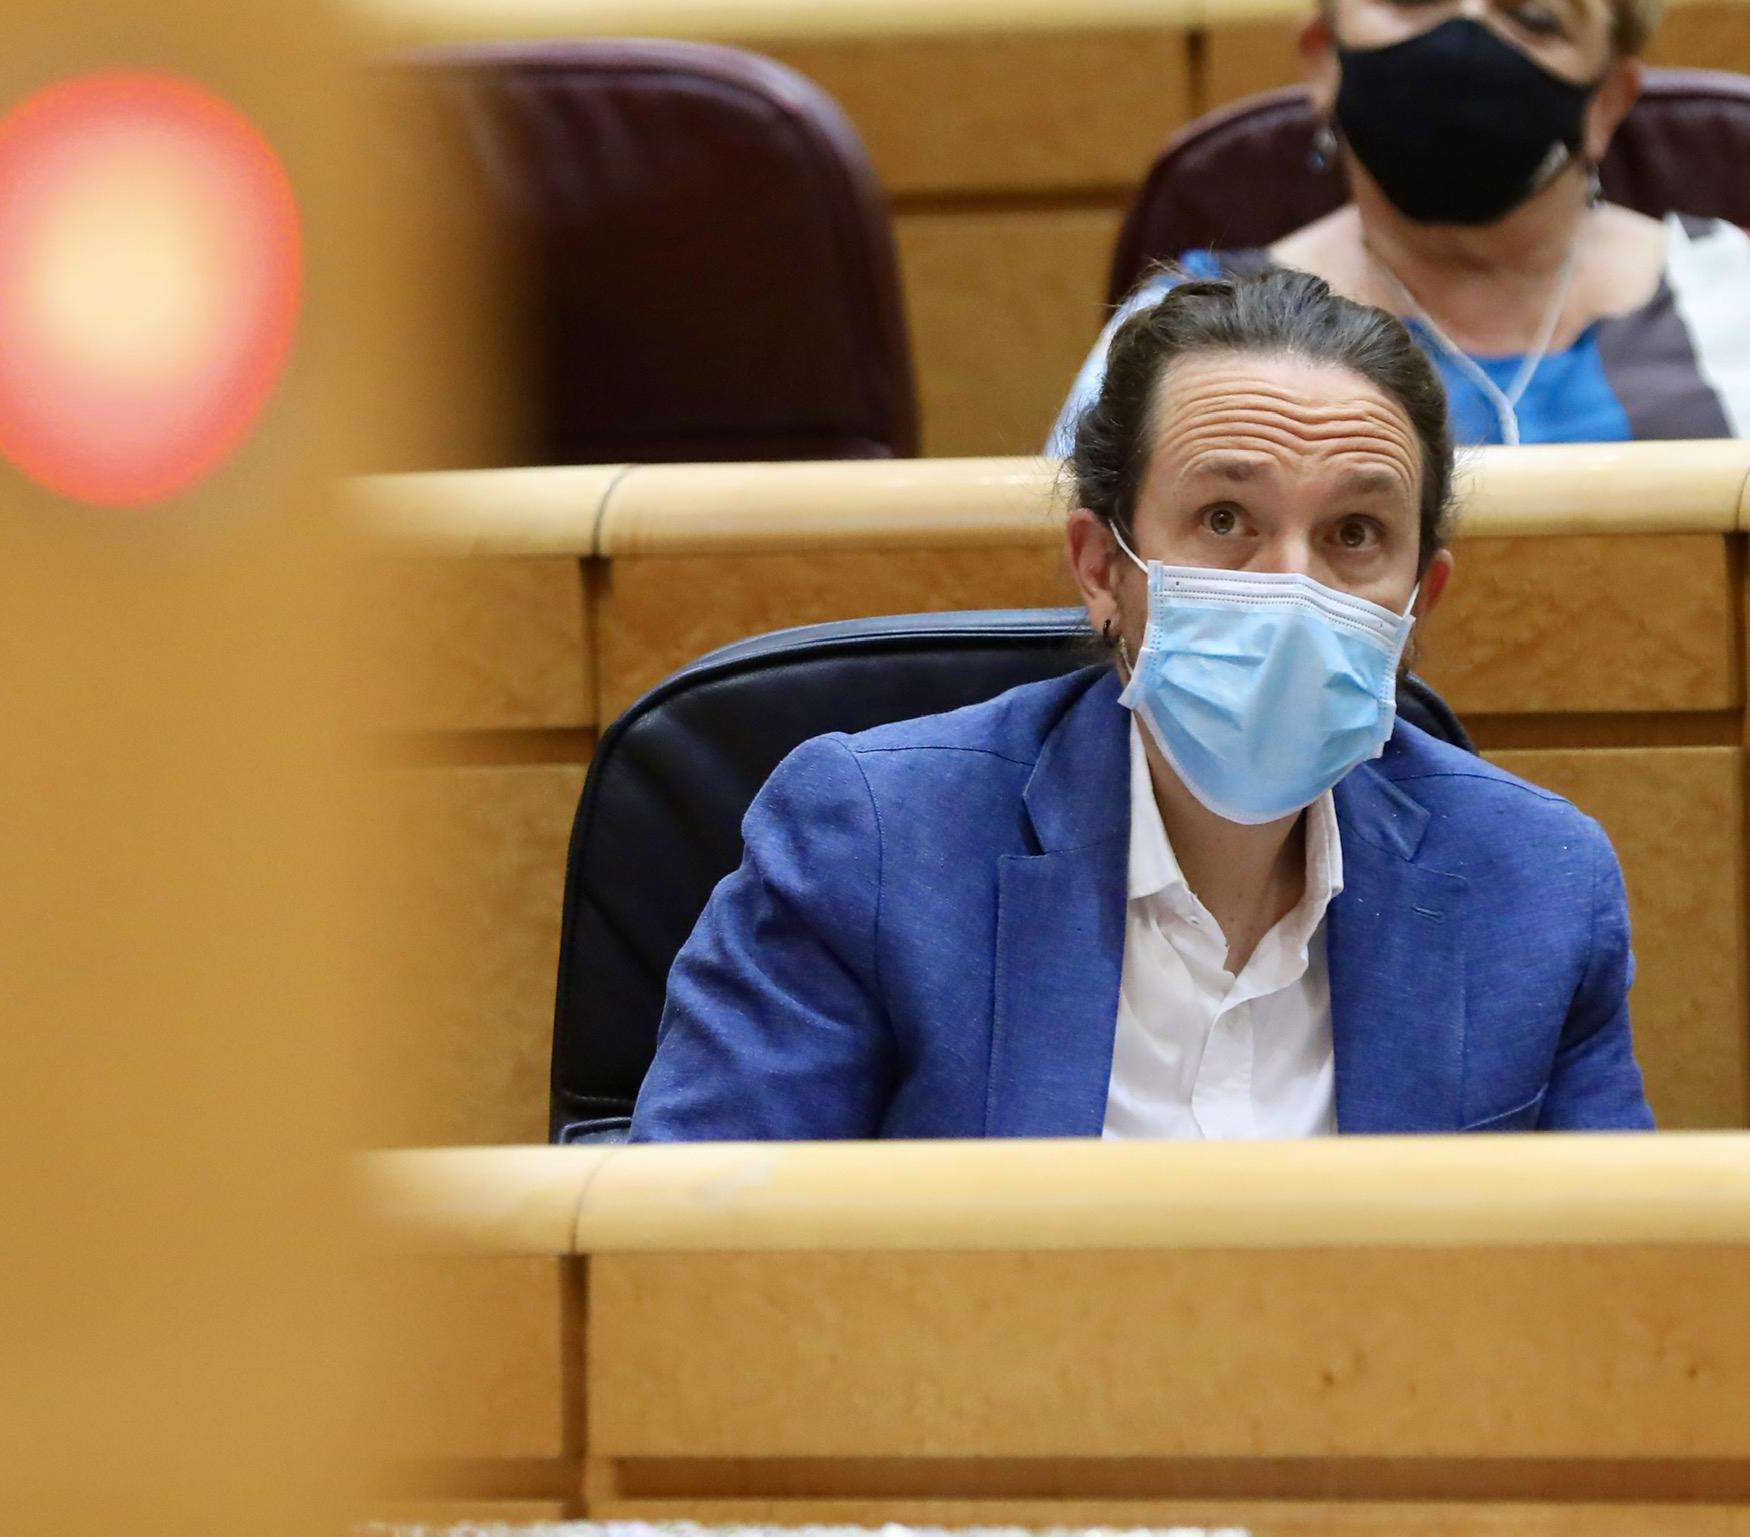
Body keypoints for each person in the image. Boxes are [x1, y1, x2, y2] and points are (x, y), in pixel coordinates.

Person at [633, 270, 1653, 1141]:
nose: (1290, 587)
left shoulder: (1536, 886)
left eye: (1353, 534)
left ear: (1420, 596)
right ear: (1100, 567)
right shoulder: (872, 848)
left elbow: (1611, 1287)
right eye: (1224, 517)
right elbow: (692, 1262)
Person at [1050, 0, 1750, 449]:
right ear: (1322, 57)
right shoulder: (1178, 331)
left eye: (1534, 16)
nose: (1466, 34)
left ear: (1609, 102)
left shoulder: (1734, 296)